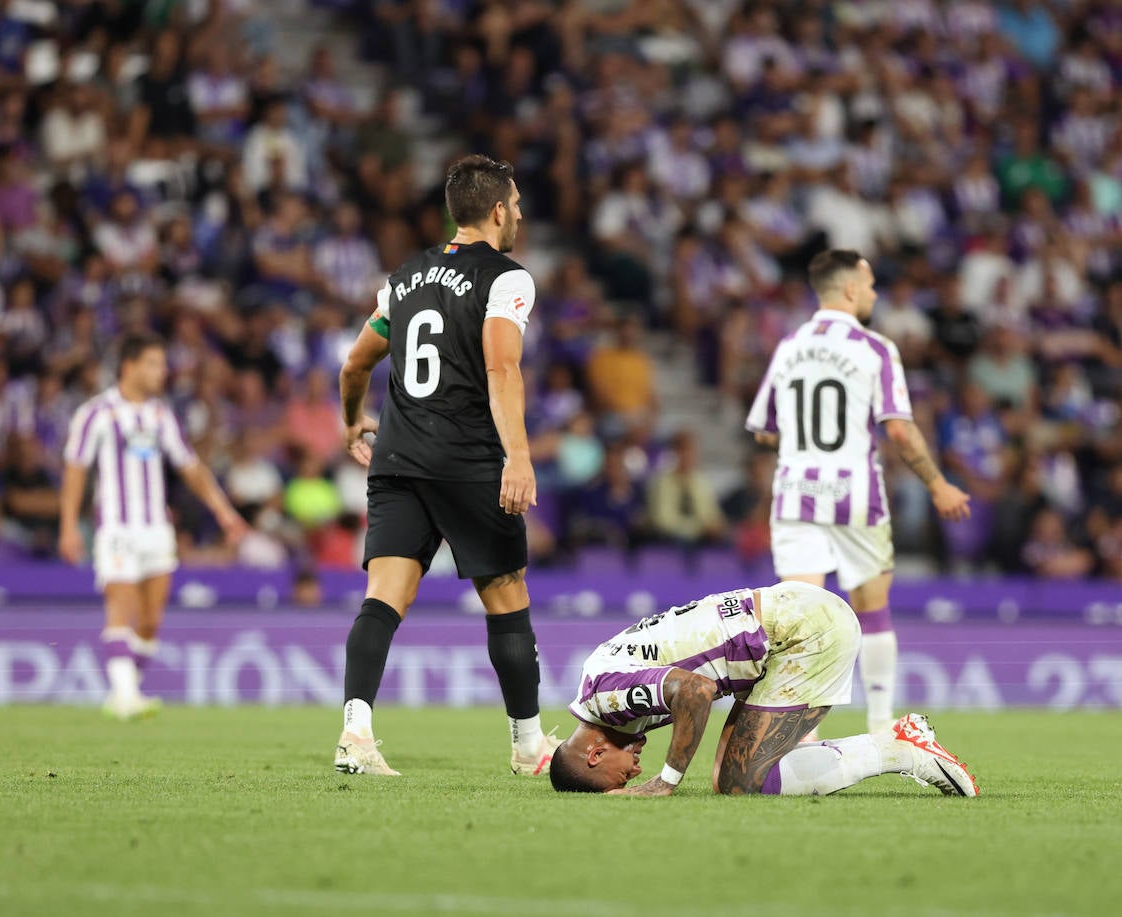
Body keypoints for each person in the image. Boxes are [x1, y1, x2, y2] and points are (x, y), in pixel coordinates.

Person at [335, 154, 558, 777]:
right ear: (495, 210)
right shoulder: (508, 279)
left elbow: (355, 365)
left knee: (384, 597)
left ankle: (356, 733)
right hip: (467, 459)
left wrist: (353, 421)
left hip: (399, 456)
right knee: (506, 595)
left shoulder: (402, 279)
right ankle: (527, 745)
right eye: (514, 205)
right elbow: (502, 368)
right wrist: (519, 455)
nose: (518, 214)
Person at [746, 250, 971, 736]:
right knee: (872, 609)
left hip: (796, 495)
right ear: (849, 289)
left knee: (803, 618)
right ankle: (879, 722)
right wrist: (938, 483)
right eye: (869, 286)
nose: (873, 294)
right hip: (854, 495)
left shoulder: (789, 346)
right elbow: (899, 431)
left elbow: (764, 432)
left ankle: (802, 735)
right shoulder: (874, 348)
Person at [549, 581, 978, 797]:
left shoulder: (604, 698)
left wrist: (667, 780)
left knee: (740, 781)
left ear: (594, 754)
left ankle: (901, 749)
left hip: (803, 631)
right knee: (728, 778)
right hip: (786, 615)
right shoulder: (603, 687)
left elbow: (695, 692)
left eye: (618, 780)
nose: (634, 774)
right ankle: (893, 746)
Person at [59, 332, 248, 720]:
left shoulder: (161, 415)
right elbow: (75, 471)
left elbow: (190, 467)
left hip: (156, 528)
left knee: (150, 620)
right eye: (153, 364)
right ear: (129, 366)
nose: (162, 372)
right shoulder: (95, 413)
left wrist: (223, 510)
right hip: (115, 526)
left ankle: (124, 691)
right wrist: (68, 526)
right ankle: (126, 698)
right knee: (121, 604)